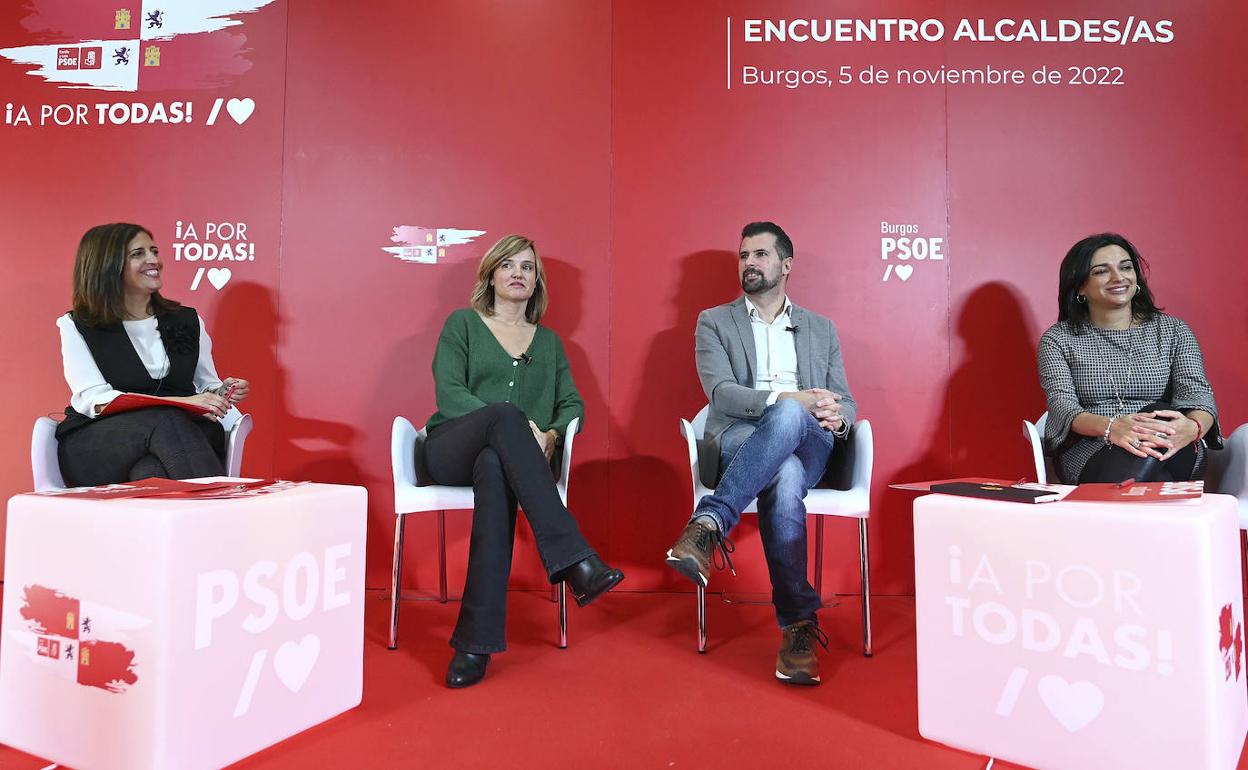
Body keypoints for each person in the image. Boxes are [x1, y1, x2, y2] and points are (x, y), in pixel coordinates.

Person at [424, 234, 624, 689]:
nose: (518, 273)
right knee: (505, 418)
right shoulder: (463, 324)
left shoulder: (549, 343)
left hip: (506, 463)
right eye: (508, 265)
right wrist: (514, 425)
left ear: (536, 282)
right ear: (491, 275)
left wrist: (552, 435)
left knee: (497, 466)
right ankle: (577, 561)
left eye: (528, 268)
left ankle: (474, 643)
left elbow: (573, 405)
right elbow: (450, 393)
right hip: (451, 449)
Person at [665, 221, 856, 686]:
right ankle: (799, 625)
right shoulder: (714, 321)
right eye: (744, 255)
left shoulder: (820, 328)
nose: (749, 262)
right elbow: (722, 394)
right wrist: (787, 402)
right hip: (738, 438)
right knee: (784, 470)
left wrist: (837, 416)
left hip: (812, 439)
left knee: (794, 425)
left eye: (761, 255)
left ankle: (708, 525)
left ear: (786, 265)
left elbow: (845, 398)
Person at [55, 223, 249, 486]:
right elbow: (94, 399)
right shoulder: (77, 325)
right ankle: (224, 513)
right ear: (107, 265)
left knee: (151, 470)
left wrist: (221, 391)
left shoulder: (188, 321)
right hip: (102, 444)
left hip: (179, 440)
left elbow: (206, 384)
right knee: (165, 421)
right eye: (138, 253)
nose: (153, 260)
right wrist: (182, 403)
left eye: (154, 250)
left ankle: (197, 522)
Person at [1038, 232, 1221, 483]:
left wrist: (1193, 427)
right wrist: (1112, 428)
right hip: (1094, 447)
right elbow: (1063, 407)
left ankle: (1121, 511)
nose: (1118, 277)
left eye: (1126, 267)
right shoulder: (1059, 339)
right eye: (1102, 271)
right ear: (1080, 285)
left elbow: (1198, 394)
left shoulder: (1173, 331)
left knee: (1159, 415)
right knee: (1154, 471)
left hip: (1172, 442)